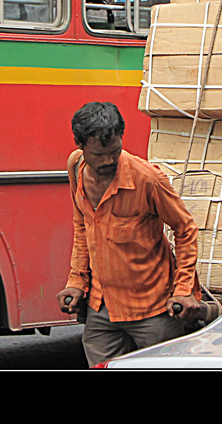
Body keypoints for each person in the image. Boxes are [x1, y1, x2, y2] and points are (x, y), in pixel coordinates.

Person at [57, 101, 202, 366]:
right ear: (81, 146)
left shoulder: (148, 180)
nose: (109, 160)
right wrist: (76, 281)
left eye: (115, 151)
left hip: (153, 311)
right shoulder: (75, 167)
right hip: (101, 309)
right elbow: (82, 227)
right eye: (99, 155)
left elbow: (185, 229)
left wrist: (184, 290)